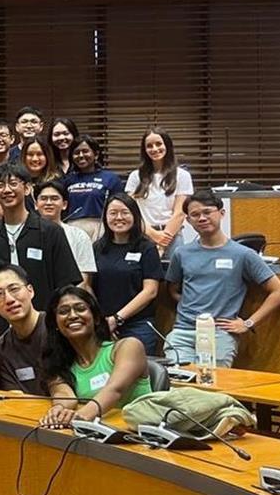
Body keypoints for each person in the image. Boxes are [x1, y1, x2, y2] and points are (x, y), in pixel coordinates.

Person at [165, 191, 280, 366]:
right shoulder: (181, 253)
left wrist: (248, 323)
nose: (202, 218)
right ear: (188, 221)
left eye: (207, 212)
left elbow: (279, 292)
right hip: (182, 332)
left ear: (221, 213)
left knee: (212, 387)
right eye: (195, 215)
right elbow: (172, 289)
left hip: (219, 334)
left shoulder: (243, 254)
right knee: (177, 385)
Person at [0, 163, 81, 340]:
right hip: (1, 333)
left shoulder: (51, 232)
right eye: (0, 185)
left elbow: (66, 285)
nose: (7, 190)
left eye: (13, 184)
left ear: (28, 188)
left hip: (48, 329)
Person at [37, 286, 152, 428]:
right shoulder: (58, 363)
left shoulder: (128, 347)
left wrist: (79, 418)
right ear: (56, 324)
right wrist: (57, 411)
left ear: (96, 318)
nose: (72, 315)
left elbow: (115, 390)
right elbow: (64, 395)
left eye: (80, 308)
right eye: (63, 312)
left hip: (137, 437)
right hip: (93, 436)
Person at [91, 192, 163, 354]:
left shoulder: (147, 248)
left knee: (139, 375)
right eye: (113, 213)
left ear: (135, 216)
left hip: (138, 325)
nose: (119, 218)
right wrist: (102, 321)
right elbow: (88, 286)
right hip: (102, 324)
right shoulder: (97, 248)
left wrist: (117, 319)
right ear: (105, 217)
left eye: (124, 212)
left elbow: (150, 291)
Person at [126, 128, 194, 257]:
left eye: (159, 144)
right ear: (144, 150)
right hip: (143, 235)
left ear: (167, 145)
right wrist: (153, 234)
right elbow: (131, 211)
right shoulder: (135, 176)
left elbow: (179, 213)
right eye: (149, 146)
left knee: (173, 276)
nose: (154, 149)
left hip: (173, 236)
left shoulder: (183, 175)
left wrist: (162, 243)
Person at [0, 264, 48, 395]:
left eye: (14, 289)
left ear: (30, 291)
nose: (9, 299)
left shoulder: (57, 328)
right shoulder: (1, 348)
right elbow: (15, 397)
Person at [33, 181, 96, 287]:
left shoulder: (79, 236)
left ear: (64, 205)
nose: (48, 203)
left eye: (54, 198)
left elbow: (84, 278)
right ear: (36, 204)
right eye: (43, 199)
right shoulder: (26, 233)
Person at [63, 136, 122, 239]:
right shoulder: (67, 180)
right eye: (76, 153)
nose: (81, 155)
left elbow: (120, 206)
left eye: (85, 151)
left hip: (101, 226)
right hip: (72, 226)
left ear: (96, 154)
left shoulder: (111, 178)